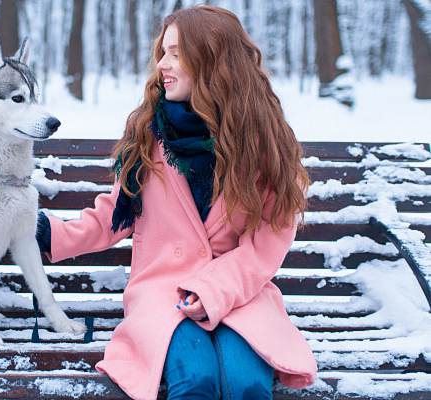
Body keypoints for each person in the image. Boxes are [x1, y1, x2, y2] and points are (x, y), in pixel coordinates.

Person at [36, 5, 318, 400]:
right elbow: (115, 215)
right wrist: (48, 234)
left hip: (239, 293)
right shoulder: (149, 135)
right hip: (164, 294)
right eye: (162, 52)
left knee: (247, 384)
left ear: (212, 61)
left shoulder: (262, 144)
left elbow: (266, 246)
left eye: (175, 53)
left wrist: (212, 290)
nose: (162, 65)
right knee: (195, 380)